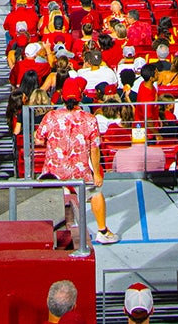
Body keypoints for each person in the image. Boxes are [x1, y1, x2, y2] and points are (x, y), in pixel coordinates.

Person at [34, 87, 117, 244]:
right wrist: (97, 173)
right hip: (80, 171)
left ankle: (52, 235)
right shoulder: (90, 119)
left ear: (63, 98)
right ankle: (102, 231)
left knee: (56, 200)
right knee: (96, 193)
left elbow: (38, 140)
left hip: (54, 172)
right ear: (80, 98)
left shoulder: (51, 116)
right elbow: (94, 148)